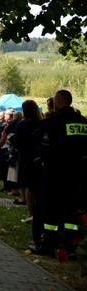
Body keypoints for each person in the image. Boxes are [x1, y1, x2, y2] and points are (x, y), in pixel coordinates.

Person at [29, 90, 87, 257]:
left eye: (55, 100)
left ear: (58, 101)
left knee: (50, 210)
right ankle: (70, 246)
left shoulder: (52, 121)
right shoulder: (82, 122)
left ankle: (48, 244)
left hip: (54, 173)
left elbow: (37, 140)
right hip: (76, 174)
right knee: (71, 211)